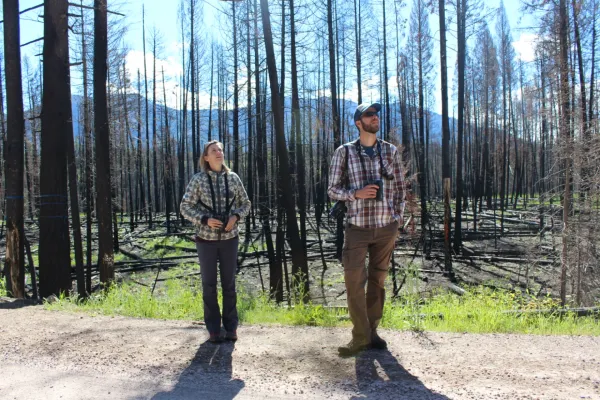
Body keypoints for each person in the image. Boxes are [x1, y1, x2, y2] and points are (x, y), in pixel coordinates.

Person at [328, 102, 406, 357]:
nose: (375, 118)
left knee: (378, 281)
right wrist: (356, 194)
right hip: (358, 227)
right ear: (358, 122)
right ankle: (359, 336)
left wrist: (397, 219)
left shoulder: (390, 151)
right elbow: (332, 190)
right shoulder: (345, 152)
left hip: (386, 227)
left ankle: (372, 332)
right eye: (369, 115)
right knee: (353, 281)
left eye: (376, 114)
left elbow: (401, 189)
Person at [180, 140, 251, 343]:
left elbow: (246, 204)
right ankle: (213, 329)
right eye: (214, 150)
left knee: (229, 284)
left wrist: (235, 217)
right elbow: (184, 207)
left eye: (220, 149)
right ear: (206, 157)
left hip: (230, 239)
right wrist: (204, 219)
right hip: (206, 240)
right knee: (209, 285)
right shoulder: (198, 180)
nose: (219, 153)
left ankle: (231, 328)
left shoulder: (233, 178)